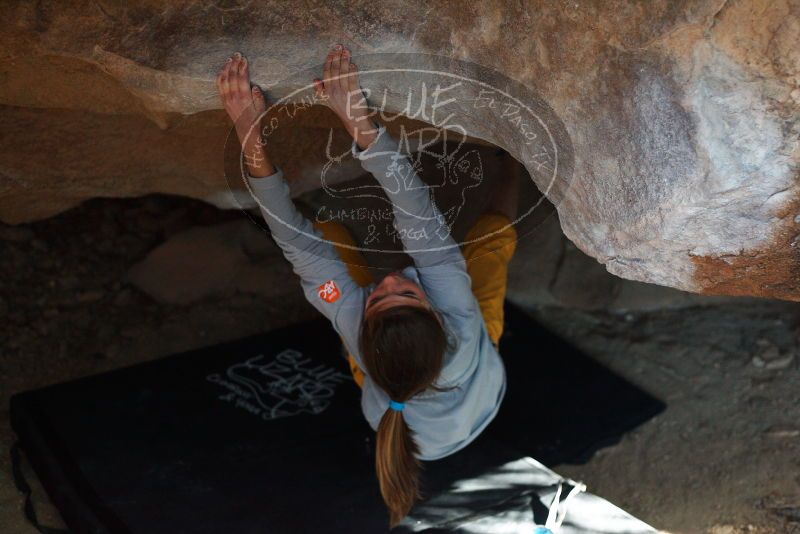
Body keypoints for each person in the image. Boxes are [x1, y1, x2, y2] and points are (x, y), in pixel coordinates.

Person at [216, 45, 520, 527]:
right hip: (481, 378)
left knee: (324, 242)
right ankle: (510, 159)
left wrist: (248, 136)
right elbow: (417, 214)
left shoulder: (354, 326)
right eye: (410, 291)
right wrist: (356, 118)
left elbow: (295, 241)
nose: (393, 277)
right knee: (491, 239)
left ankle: (360, 257)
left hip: (418, 384)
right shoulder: (462, 323)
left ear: (363, 327)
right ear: (439, 313)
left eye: (379, 295)